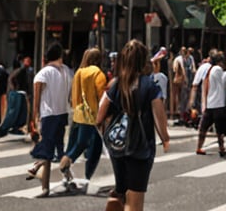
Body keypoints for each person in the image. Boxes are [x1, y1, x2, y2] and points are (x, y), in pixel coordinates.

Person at [97, 40, 170, 211]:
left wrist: (107, 132)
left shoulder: (116, 83)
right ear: (143, 60)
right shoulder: (150, 85)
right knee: (135, 200)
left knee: (121, 191)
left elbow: (100, 115)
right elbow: (159, 115)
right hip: (140, 147)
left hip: (117, 145)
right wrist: (165, 138)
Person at [57, 47, 106, 193]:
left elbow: (74, 96)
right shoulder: (98, 74)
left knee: (74, 142)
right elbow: (102, 96)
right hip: (93, 115)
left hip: (78, 114)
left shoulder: (78, 72)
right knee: (94, 147)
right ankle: (85, 175)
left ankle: (66, 164)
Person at [29, 43, 71, 197]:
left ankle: (45, 188)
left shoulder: (42, 74)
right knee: (61, 149)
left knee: (46, 153)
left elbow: (37, 98)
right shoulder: (67, 71)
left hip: (48, 115)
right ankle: (67, 177)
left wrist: (34, 117)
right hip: (62, 113)